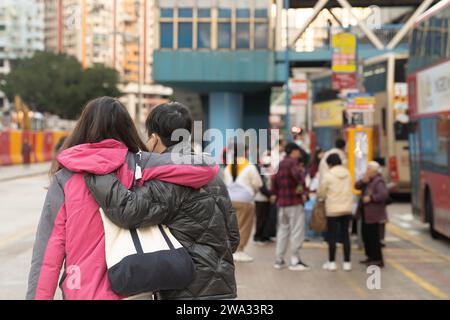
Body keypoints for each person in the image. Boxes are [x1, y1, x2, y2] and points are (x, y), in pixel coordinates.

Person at [26, 97, 219, 300]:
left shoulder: (65, 178)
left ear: (82, 128)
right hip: (133, 288)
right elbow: (207, 168)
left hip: (81, 289)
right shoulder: (141, 164)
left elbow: (48, 253)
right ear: (127, 128)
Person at [86, 102, 239, 300]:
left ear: (154, 138)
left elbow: (128, 211)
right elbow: (233, 238)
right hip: (224, 290)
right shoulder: (212, 175)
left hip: (186, 290)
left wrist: (98, 170)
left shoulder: (170, 178)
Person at [271, 142, 309, 271]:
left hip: (282, 203)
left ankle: (279, 259)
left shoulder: (280, 163)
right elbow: (298, 178)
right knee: (296, 231)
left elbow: (274, 182)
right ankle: (295, 260)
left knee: (282, 231)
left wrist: (275, 194)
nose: (299, 153)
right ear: (293, 151)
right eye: (297, 151)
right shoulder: (293, 163)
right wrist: (303, 188)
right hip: (294, 202)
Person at [223, 143, 263, 263]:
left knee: (232, 226)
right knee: (244, 226)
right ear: (244, 152)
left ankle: (231, 249)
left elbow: (225, 182)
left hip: (230, 200)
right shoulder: (249, 166)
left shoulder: (228, 166)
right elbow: (258, 184)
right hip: (245, 201)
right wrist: (253, 193)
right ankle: (239, 251)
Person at [317, 153, 353, 271]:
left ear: (330, 164)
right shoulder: (348, 174)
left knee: (331, 236)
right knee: (345, 236)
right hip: (347, 209)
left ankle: (332, 262)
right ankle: (347, 263)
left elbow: (321, 192)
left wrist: (321, 197)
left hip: (332, 209)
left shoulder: (328, 175)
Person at [355, 161, 389, 268]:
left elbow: (383, 195)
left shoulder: (378, 181)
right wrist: (362, 180)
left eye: (368, 169)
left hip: (374, 215)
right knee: (366, 236)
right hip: (366, 214)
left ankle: (377, 259)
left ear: (374, 170)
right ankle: (370, 256)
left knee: (374, 238)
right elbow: (356, 186)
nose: (367, 170)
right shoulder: (368, 180)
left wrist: (371, 198)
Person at [253, 153, 273, 245]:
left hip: (266, 198)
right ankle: (257, 237)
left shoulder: (267, 171)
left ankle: (264, 236)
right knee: (260, 219)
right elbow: (261, 187)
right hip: (260, 198)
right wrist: (270, 195)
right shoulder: (260, 172)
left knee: (265, 218)